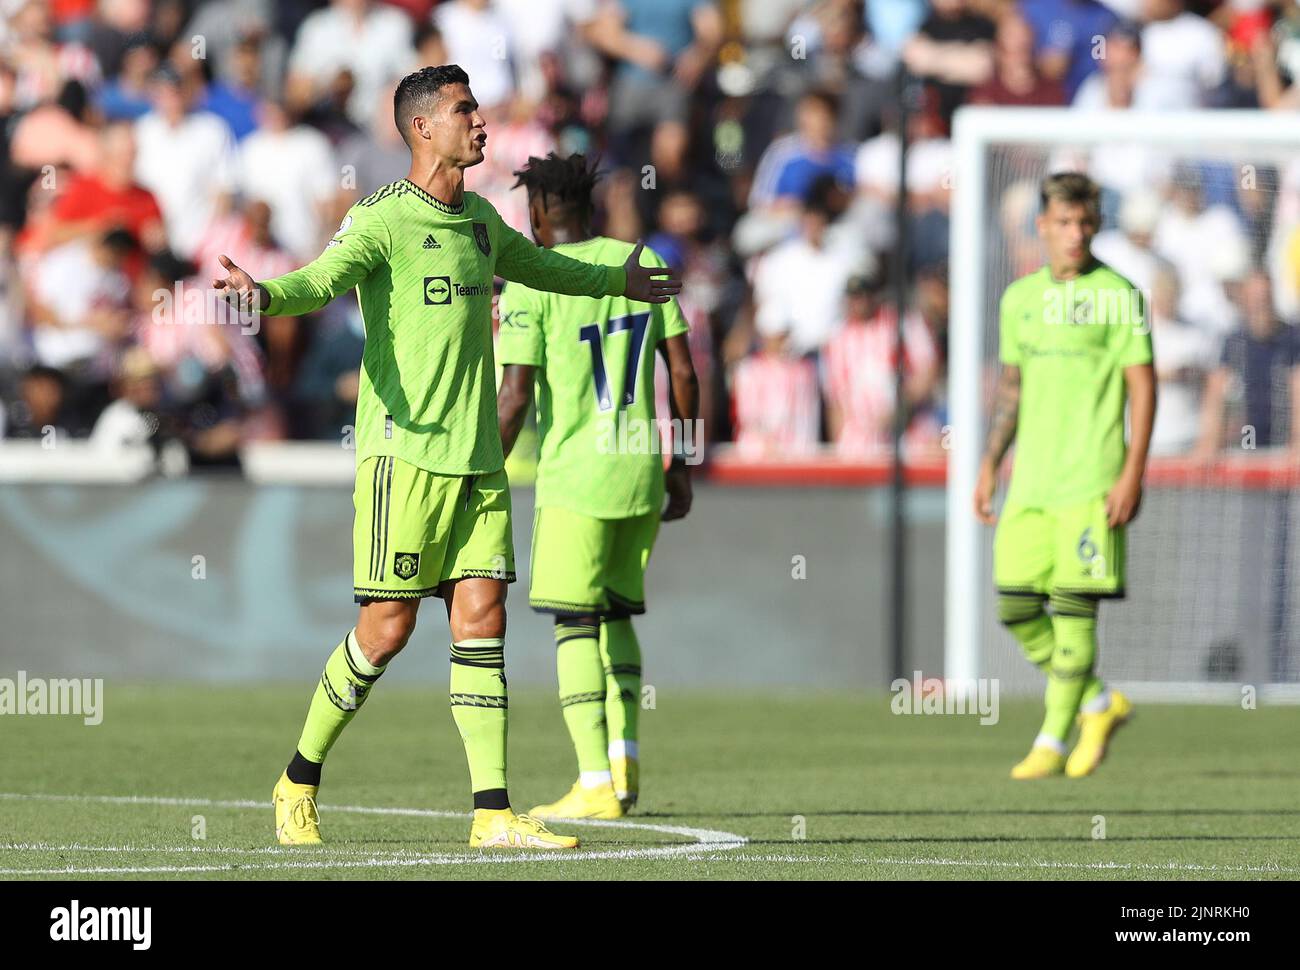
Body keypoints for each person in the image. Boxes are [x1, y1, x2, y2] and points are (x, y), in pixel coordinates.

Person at [212, 65, 680, 850]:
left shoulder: (484, 222)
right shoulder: (382, 219)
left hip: (479, 463)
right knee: (385, 631)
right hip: (405, 460)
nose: (481, 122)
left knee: (482, 620)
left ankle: (493, 813)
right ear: (424, 127)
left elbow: (548, 269)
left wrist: (619, 278)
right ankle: (296, 779)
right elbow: (321, 281)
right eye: (466, 110)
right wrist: (264, 295)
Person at [495, 152, 698, 818]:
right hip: (639, 466)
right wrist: (683, 462)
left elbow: (515, 396)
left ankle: (591, 784)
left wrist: (480, 477)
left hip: (577, 475)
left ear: (537, 212)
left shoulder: (535, 282)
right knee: (615, 612)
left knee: (573, 621)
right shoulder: (644, 260)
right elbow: (685, 372)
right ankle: (624, 760)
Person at [973, 172, 1155, 780]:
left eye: (1084, 223)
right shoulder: (1019, 299)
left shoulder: (1120, 294)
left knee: (1076, 611)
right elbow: (1012, 389)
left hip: (1092, 482)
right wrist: (990, 463)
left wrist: (1132, 471)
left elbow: (1142, 385)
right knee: (1015, 608)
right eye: (1063, 222)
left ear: (1095, 225)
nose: (1075, 234)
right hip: (1031, 484)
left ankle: (1052, 740)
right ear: (1042, 226)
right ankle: (1099, 701)